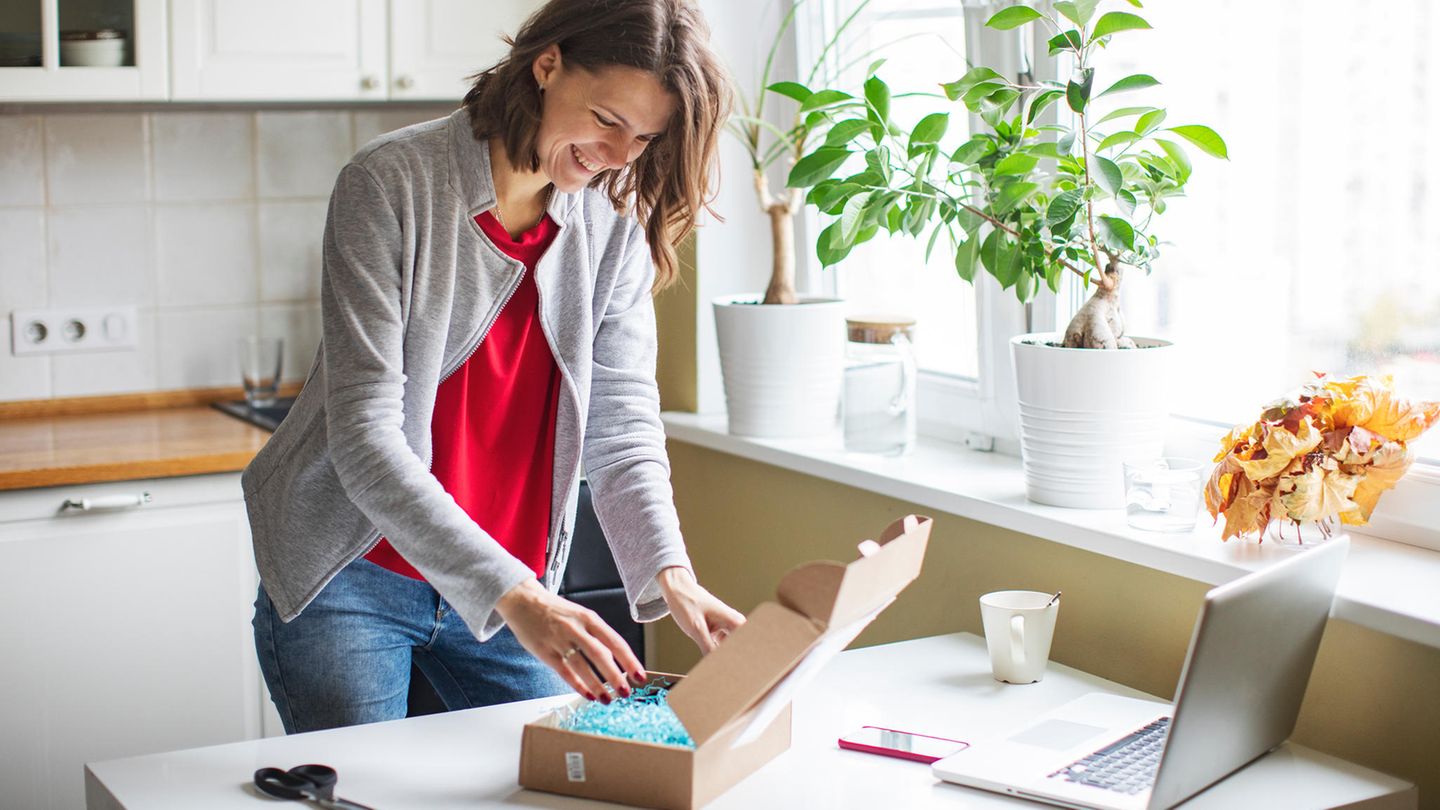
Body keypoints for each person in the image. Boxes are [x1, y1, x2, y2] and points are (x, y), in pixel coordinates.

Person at [243, 0, 743, 734]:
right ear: (548, 65)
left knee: (549, 777)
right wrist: (520, 596)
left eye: (643, 138)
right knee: (364, 783)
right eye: (607, 120)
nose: (617, 156)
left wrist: (674, 576)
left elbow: (623, 431)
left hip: (514, 581)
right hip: (356, 575)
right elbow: (366, 437)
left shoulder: (612, 227)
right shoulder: (390, 183)